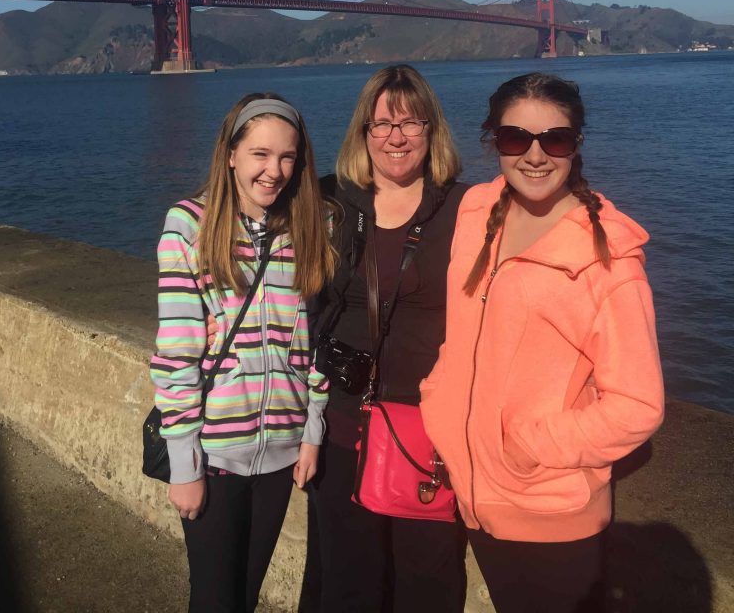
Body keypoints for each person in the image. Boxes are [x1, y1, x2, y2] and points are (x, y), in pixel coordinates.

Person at [420, 72, 665, 613]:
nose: (535, 155)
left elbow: (638, 406)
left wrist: (528, 446)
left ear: (576, 146)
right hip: (472, 491)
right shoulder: (476, 212)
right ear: (493, 141)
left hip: (551, 513)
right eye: (515, 138)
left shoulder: (606, 260)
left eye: (555, 139)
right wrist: (440, 396)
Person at [149, 93, 335, 613]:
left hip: (281, 451)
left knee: (246, 595)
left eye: (287, 157)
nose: (273, 171)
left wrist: (312, 432)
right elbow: (176, 354)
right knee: (213, 599)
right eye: (260, 154)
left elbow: (314, 344)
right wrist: (185, 466)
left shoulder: (306, 230)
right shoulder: (189, 226)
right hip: (216, 455)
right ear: (230, 153)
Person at [302, 65, 470, 613]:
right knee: (348, 583)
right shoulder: (331, 202)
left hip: (428, 432)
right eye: (381, 125)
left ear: (431, 130)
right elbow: (250, 209)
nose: (395, 137)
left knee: (428, 584)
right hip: (344, 426)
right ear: (362, 133)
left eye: (410, 123)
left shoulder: (466, 208)